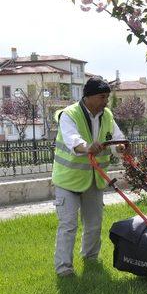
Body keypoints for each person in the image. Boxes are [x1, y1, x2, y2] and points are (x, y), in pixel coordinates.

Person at [52, 77, 127, 277]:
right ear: (89, 97)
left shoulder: (107, 115)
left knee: (94, 223)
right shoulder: (69, 115)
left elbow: (117, 137)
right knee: (68, 225)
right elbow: (73, 140)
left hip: (94, 178)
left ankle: (90, 259)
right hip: (68, 180)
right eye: (103, 96)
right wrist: (87, 147)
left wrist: (120, 148)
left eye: (107, 96)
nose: (106, 101)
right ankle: (64, 269)